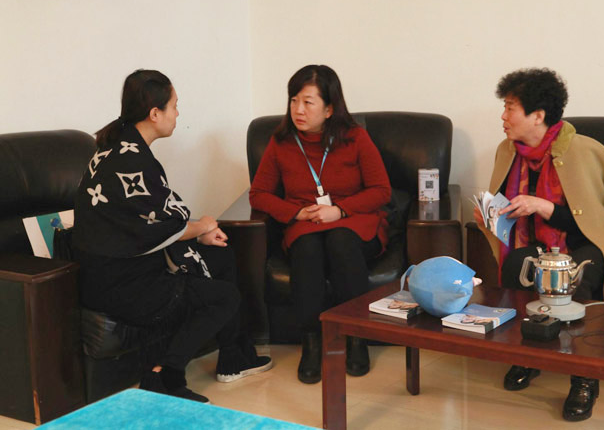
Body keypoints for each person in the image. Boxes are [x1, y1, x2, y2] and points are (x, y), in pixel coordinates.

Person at [73, 69, 272, 403]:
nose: (178, 114)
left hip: (121, 268)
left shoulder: (114, 147)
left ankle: (234, 358)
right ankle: (165, 375)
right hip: (121, 284)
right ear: (155, 113)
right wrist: (202, 226)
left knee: (220, 254)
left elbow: (149, 224)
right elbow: (166, 224)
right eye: (175, 106)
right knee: (224, 297)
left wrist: (199, 234)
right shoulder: (132, 161)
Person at [475, 68, 604, 421]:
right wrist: (491, 216)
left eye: (510, 108)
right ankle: (528, 357)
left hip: (589, 244)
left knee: (576, 278)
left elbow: (596, 223)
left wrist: (543, 207)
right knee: (516, 266)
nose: (503, 116)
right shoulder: (507, 151)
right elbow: (510, 210)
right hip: (537, 245)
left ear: (537, 115)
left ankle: (584, 378)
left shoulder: (586, 151)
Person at [249, 65, 391, 384]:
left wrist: (340, 210)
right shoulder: (282, 142)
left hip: (354, 221)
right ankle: (311, 342)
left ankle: (356, 337)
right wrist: (295, 213)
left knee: (340, 241)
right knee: (308, 248)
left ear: (329, 109)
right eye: (294, 100)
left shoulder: (355, 138)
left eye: (308, 102)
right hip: (306, 223)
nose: (298, 110)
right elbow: (258, 194)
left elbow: (381, 190)